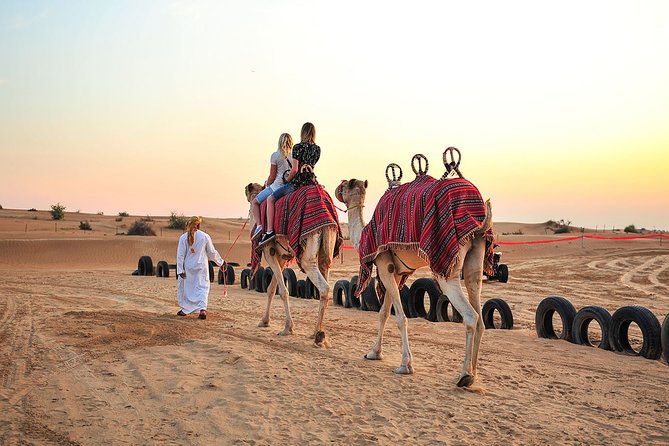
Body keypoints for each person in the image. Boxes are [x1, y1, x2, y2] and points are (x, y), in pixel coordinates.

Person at [259, 122, 321, 245]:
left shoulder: (297, 147)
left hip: (297, 184)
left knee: (271, 199)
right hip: (311, 182)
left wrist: (287, 180)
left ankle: (270, 231)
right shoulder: (317, 149)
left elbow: (295, 170)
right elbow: (311, 168)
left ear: (302, 132)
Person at [176, 216, 225, 319]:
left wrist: (180, 270)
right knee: (202, 288)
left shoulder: (183, 237)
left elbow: (180, 255)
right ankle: (202, 309)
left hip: (188, 268)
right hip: (201, 267)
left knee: (188, 289)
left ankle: (186, 310)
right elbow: (212, 252)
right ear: (198, 225)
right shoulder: (205, 236)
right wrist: (221, 262)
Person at [250, 133, 294, 241]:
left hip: (277, 186)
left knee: (255, 202)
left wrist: (267, 184)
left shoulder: (275, 155)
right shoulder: (295, 155)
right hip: (290, 187)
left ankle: (260, 226)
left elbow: (272, 176)